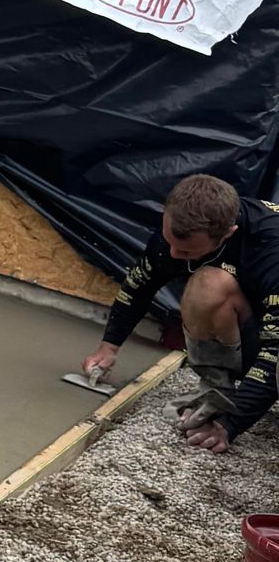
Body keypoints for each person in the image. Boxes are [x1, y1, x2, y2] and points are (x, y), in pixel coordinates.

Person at [82, 172, 279, 451]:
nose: (173, 254)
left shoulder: (270, 248)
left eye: (186, 252)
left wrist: (229, 425)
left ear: (228, 233)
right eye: (170, 241)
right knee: (208, 285)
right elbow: (141, 284)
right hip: (261, 322)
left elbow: (275, 351)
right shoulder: (185, 221)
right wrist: (108, 347)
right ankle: (217, 391)